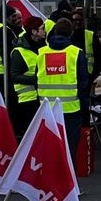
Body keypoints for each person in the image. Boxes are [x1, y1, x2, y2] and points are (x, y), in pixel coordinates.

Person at [37, 18, 90, 166]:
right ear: (71, 33)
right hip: (71, 109)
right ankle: (66, 185)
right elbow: (83, 83)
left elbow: (37, 81)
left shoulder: (41, 53)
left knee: (49, 148)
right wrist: (85, 107)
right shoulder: (76, 53)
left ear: (54, 32)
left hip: (47, 109)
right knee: (69, 149)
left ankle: (49, 183)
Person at [9, 17, 46, 136]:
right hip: (27, 100)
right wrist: (36, 80)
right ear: (34, 32)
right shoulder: (19, 52)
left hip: (42, 97)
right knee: (32, 135)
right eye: (42, 29)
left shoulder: (44, 47)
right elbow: (14, 76)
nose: (44, 31)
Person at [70, 8, 101, 89]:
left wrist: (92, 76)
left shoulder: (91, 36)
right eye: (75, 20)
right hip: (71, 79)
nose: (78, 22)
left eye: (80, 20)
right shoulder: (67, 37)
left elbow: (100, 59)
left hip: (87, 78)